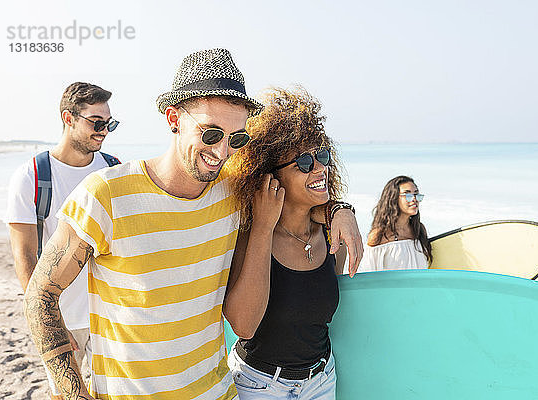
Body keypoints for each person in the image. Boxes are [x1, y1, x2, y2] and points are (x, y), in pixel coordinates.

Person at [23, 49, 362, 400]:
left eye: (237, 138)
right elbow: (41, 294)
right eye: (210, 133)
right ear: (173, 119)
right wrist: (73, 393)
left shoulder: (233, 195)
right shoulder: (105, 195)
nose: (222, 151)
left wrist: (340, 210)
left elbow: (295, 200)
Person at [223, 87, 349, 399]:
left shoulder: (332, 234)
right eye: (304, 162)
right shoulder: (249, 235)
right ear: (270, 178)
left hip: (322, 380)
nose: (320, 168)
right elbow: (243, 326)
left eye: (322, 155)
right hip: (260, 384)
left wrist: (341, 209)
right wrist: (264, 226)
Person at [5, 81, 119, 399]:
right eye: (97, 122)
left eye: (110, 123)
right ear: (68, 119)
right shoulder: (31, 177)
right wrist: (50, 325)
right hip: (61, 317)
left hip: (107, 316)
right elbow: (25, 256)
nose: (105, 130)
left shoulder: (113, 170)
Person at [361, 175, 432, 271]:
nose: (414, 199)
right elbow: (369, 273)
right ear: (393, 198)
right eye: (408, 195)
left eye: (416, 194)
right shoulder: (379, 235)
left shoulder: (419, 230)